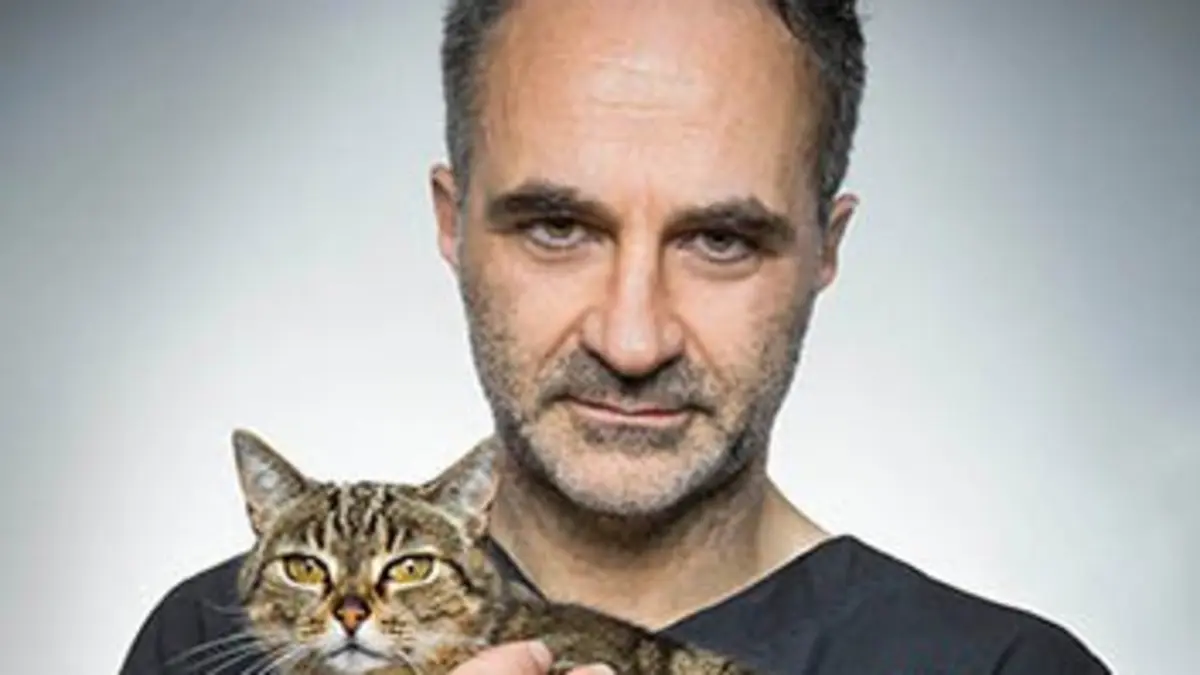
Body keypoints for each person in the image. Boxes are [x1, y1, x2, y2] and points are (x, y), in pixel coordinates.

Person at [119, 1, 1113, 673]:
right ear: (451, 226)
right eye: (559, 226)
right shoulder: (199, 643)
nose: (633, 339)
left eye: (721, 239)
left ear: (827, 249)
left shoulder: (1006, 669)